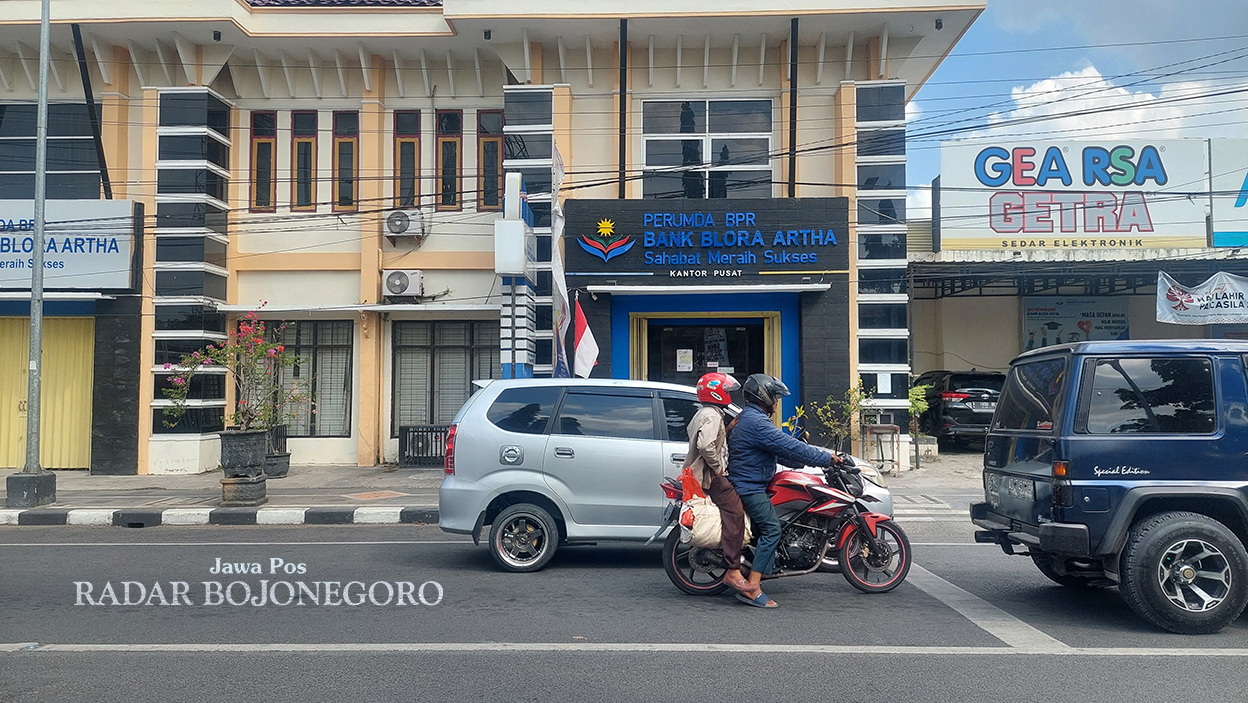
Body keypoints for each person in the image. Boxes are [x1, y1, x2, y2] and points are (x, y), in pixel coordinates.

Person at [727, 373, 837, 608]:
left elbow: (779, 450)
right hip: (749, 486)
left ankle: (761, 566)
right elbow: (788, 445)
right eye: (774, 397)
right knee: (771, 529)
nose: (777, 402)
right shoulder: (756, 422)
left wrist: (803, 461)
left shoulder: (752, 418)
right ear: (763, 397)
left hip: (753, 481)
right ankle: (752, 587)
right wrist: (827, 458)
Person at [682, 372, 750, 595]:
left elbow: (713, 440)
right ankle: (733, 568)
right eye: (726, 390)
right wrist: (718, 468)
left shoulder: (704, 413)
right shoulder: (712, 415)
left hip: (702, 474)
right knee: (735, 513)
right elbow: (705, 445)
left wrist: (728, 430)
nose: (729, 394)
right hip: (711, 477)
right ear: (716, 392)